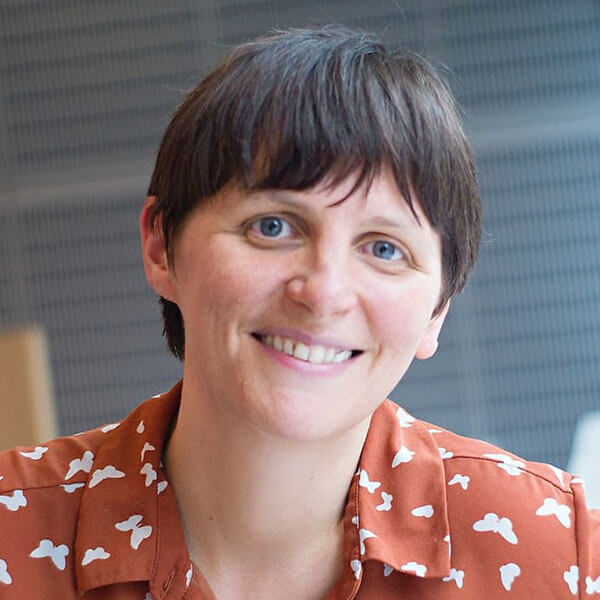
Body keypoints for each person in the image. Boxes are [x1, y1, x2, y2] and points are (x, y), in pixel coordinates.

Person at [0, 25, 598, 600]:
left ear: (437, 310)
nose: (323, 292)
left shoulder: (562, 555)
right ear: (162, 246)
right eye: (272, 226)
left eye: (384, 249)